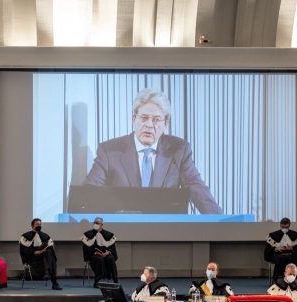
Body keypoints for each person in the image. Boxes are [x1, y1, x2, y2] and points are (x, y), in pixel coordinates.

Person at [83, 88, 222, 214]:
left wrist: (221, 224)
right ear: (134, 118)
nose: (149, 125)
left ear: (165, 124)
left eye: (156, 120)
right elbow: (90, 194)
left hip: (167, 235)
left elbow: (196, 187)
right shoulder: (109, 151)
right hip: (123, 233)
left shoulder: (179, 150)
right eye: (144, 118)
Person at [19, 218, 62, 290]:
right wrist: (34, 252)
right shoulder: (25, 236)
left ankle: (54, 283)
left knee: (49, 253)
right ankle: (54, 281)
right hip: (31, 257)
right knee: (49, 259)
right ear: (32, 225)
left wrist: (43, 251)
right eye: (37, 224)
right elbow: (23, 250)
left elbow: (50, 246)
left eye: (40, 224)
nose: (39, 225)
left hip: (43, 256)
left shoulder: (45, 236)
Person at [81, 217, 118, 286]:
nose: (95, 224)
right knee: (99, 259)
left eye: (97, 223)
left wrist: (108, 252)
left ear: (102, 224)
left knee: (111, 258)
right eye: (94, 223)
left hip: (105, 254)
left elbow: (112, 248)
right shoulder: (88, 235)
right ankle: (97, 281)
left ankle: (115, 280)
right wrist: (95, 252)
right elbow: (86, 249)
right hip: (94, 255)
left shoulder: (108, 235)